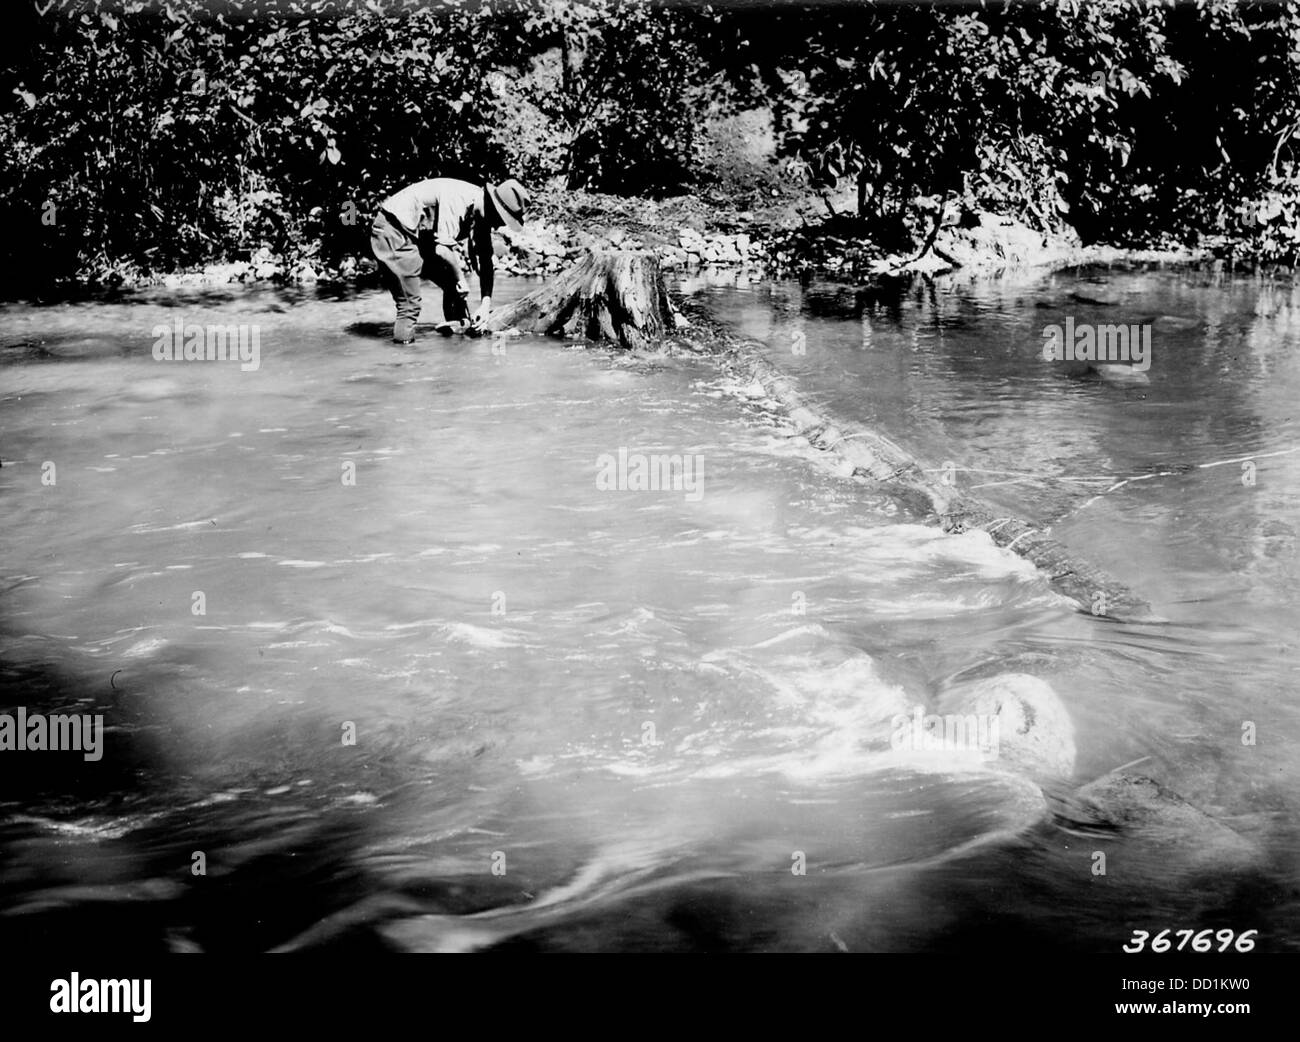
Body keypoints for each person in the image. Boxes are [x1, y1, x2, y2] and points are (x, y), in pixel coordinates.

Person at [369, 177, 529, 343]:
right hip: (392, 230)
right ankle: (403, 360)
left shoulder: (482, 211)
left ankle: (457, 343)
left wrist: (485, 304)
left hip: (418, 235)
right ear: (493, 208)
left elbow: (486, 261)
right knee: (409, 305)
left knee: (453, 287)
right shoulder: (458, 200)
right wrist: (461, 279)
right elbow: (442, 250)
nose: (497, 227)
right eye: (500, 220)